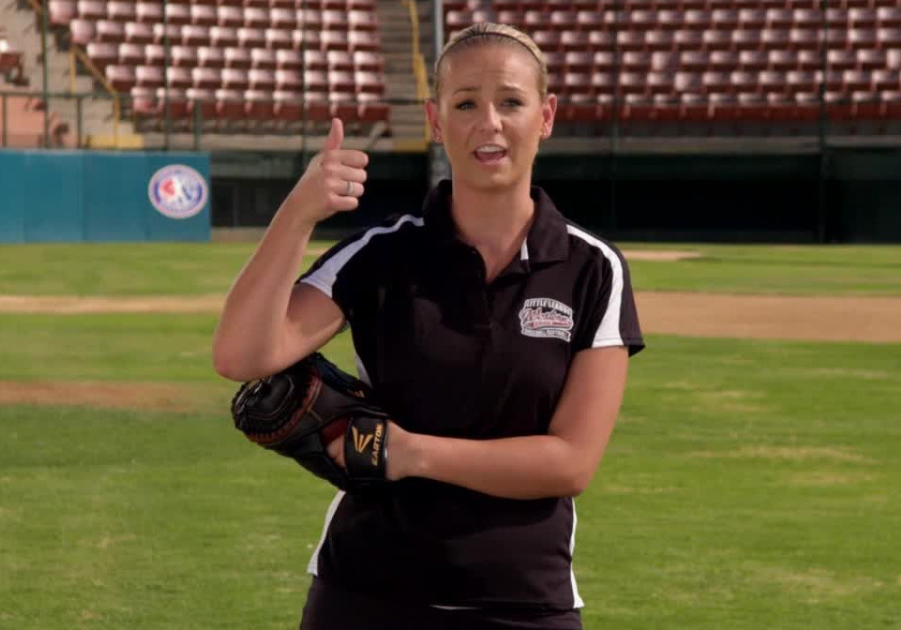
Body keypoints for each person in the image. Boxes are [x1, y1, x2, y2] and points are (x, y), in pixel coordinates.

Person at [212, 22, 644, 630]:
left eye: (511, 102)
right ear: (437, 121)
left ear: (545, 116)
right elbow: (240, 354)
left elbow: (570, 462)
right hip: (363, 594)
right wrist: (299, 213)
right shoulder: (381, 253)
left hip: (522, 600)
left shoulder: (591, 268)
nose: (488, 123)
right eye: (465, 103)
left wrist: (412, 454)